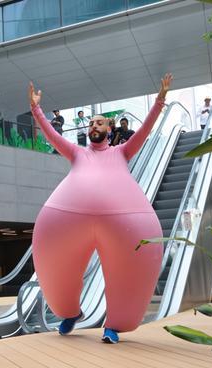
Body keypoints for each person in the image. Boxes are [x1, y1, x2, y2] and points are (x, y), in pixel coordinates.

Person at [28, 73, 173, 344]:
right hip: (67, 221)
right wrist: (36, 109)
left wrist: (160, 101)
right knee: (57, 264)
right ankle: (69, 312)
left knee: (126, 274)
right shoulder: (77, 153)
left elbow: (145, 131)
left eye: (99, 123)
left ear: (109, 129)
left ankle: (114, 325)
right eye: (91, 123)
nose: (94, 126)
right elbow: (52, 135)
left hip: (124, 222)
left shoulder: (122, 152)